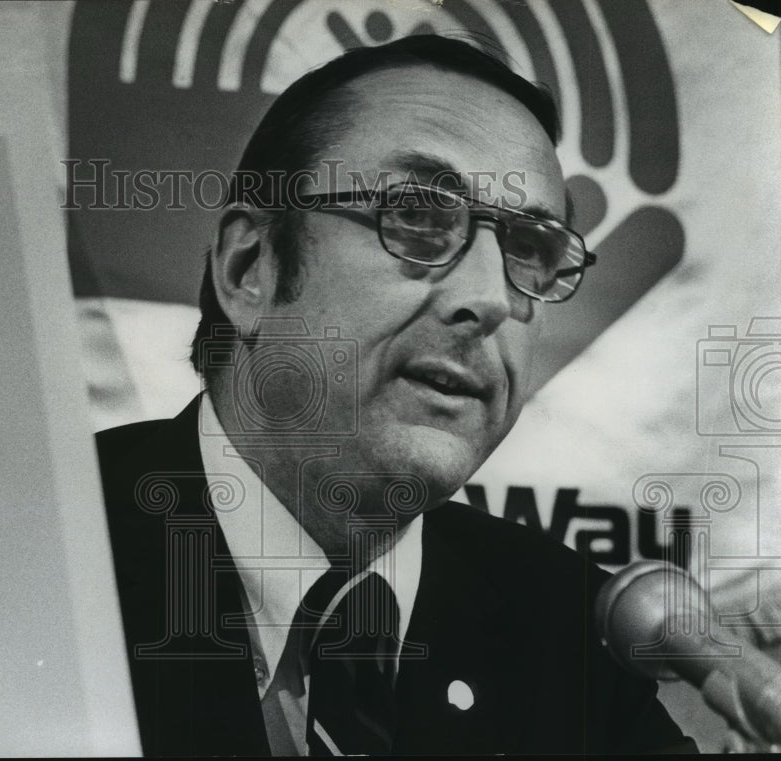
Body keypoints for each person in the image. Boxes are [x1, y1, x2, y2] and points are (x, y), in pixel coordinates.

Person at [95, 35, 696, 756]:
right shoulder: (39, 540)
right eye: (416, 216)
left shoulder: (572, 630)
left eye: (530, 248)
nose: (488, 300)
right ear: (250, 268)